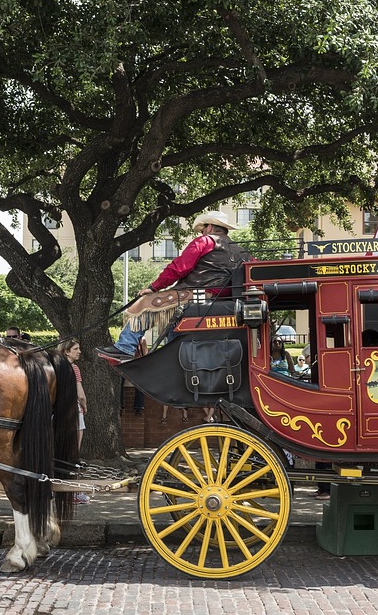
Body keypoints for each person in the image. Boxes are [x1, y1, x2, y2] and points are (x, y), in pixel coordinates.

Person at [97, 211, 250, 361]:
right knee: (172, 319)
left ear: (209, 227)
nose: (202, 232)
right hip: (222, 299)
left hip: (199, 294)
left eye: (203, 229)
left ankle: (125, 347)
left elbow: (179, 267)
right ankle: (173, 355)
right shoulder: (241, 251)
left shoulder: (205, 241)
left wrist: (153, 287)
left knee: (146, 304)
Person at [58, 338, 90, 504]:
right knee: (73, 454)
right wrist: (84, 406)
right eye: (76, 349)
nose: (79, 351)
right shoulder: (74, 369)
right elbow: (80, 394)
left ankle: (57, 490)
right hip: (74, 413)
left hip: (58, 414)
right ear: (67, 351)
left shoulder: (55, 367)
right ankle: (73, 492)